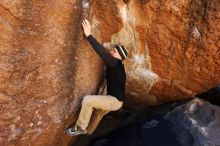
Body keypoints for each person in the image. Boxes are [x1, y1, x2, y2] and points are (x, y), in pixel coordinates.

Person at [66, 19, 128, 136]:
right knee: (96, 112)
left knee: (88, 101)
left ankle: (81, 127)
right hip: (115, 100)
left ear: (120, 56)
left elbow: (102, 53)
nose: (111, 52)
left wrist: (89, 35)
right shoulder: (118, 66)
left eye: (114, 51)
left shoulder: (115, 63)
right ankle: (90, 131)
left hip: (114, 101)